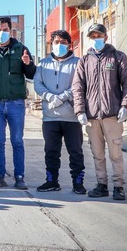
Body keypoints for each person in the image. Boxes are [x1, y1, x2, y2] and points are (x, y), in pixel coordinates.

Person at [72, 23, 127, 201]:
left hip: (112, 114)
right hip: (92, 117)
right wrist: (80, 111)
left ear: (106, 37)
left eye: (99, 36)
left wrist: (125, 106)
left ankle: (119, 186)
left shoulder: (117, 57)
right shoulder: (84, 61)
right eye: (92, 36)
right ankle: (102, 184)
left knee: (115, 153)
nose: (96, 39)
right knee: (97, 153)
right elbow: (77, 87)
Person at [0, 16, 36, 189]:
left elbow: (31, 74)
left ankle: (19, 177)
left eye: (5, 30)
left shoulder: (21, 49)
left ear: (10, 31)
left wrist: (28, 64)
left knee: (17, 140)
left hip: (16, 103)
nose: (1, 33)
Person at [34, 30, 86, 194]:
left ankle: (78, 182)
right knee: (51, 151)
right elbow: (37, 84)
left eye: (63, 42)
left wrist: (62, 97)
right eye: (56, 42)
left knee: (75, 152)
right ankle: (51, 181)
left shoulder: (78, 63)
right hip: (50, 117)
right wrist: (49, 97)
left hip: (71, 117)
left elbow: (79, 85)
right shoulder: (43, 64)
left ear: (69, 45)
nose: (60, 45)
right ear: (51, 43)